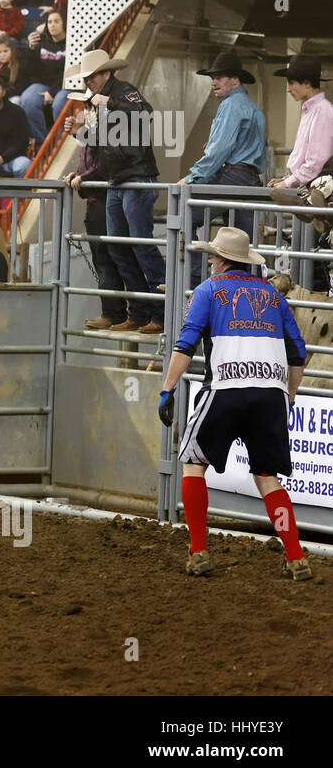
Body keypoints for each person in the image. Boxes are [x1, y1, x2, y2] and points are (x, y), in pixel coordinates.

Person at [159, 226, 312, 581]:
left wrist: (167, 389)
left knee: (194, 463)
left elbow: (186, 343)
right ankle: (296, 555)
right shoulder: (274, 297)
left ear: (222, 261)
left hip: (227, 386)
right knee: (266, 476)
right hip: (270, 394)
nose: (210, 260)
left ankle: (199, 551)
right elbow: (298, 353)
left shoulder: (208, 291)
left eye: (212, 255)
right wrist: (287, 396)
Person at [63, 49, 165, 335]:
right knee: (122, 248)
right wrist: (79, 134)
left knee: (138, 246)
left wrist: (108, 102)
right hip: (121, 181)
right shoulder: (106, 100)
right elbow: (102, 141)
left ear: (104, 74)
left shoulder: (121, 92)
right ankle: (142, 313)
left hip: (134, 179)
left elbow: (145, 112)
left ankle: (156, 312)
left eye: (91, 77)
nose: (88, 83)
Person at [183, 52, 266, 287]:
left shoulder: (230, 105)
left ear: (235, 80)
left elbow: (219, 150)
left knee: (185, 215)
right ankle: (250, 292)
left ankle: (200, 281)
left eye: (219, 77)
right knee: (244, 244)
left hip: (232, 176)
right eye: (213, 77)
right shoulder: (251, 107)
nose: (214, 82)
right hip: (250, 179)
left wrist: (192, 178)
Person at [63, 100, 129, 331]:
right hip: (101, 201)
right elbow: (97, 162)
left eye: (90, 106)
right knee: (109, 258)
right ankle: (119, 313)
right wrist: (80, 174)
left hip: (104, 200)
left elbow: (103, 165)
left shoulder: (104, 130)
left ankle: (116, 313)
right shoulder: (99, 131)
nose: (86, 111)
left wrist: (84, 176)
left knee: (108, 259)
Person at [270, 55, 333, 190]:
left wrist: (288, 183)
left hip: (314, 187)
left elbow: (316, 162)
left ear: (307, 84)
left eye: (291, 83)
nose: (288, 89)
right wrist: (286, 179)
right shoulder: (311, 110)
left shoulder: (322, 110)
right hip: (307, 185)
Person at [20, 11, 67, 144]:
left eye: (56, 21)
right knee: (27, 99)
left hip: (64, 85)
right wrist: (31, 49)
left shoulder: (71, 43)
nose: (52, 25)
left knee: (59, 103)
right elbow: (29, 71)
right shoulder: (41, 42)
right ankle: (43, 143)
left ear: (64, 24)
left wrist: (53, 92)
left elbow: (70, 71)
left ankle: (59, 142)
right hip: (43, 83)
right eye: (49, 22)